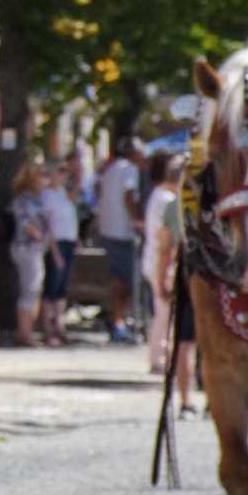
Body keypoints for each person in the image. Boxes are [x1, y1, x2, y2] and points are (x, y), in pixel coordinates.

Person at [157, 192, 202, 418]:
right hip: (205, 275)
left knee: (186, 342)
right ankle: (199, 400)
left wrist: (162, 278)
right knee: (190, 342)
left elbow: (165, 247)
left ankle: (188, 401)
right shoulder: (225, 194)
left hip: (191, 272)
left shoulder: (175, 204)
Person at [94, 137, 142, 342]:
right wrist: (137, 219)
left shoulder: (111, 169)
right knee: (129, 280)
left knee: (117, 278)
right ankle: (119, 322)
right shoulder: (129, 169)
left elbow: (97, 187)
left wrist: (106, 208)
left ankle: (117, 321)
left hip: (107, 229)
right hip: (122, 232)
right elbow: (129, 195)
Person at [142, 155, 184, 373]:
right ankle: (160, 358)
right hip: (161, 262)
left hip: (156, 260)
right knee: (165, 313)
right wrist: (163, 273)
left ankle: (160, 356)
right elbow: (165, 242)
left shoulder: (158, 195)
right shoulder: (167, 200)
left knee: (162, 313)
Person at [8, 161, 53, 348]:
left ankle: (28, 331)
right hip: (27, 248)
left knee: (34, 290)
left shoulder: (37, 197)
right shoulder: (23, 199)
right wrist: (38, 234)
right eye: (41, 175)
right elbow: (26, 221)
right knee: (30, 290)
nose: (45, 179)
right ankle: (24, 333)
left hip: (36, 249)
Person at [39, 161, 81, 346]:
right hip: (57, 244)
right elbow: (48, 225)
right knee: (51, 287)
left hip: (69, 242)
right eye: (61, 172)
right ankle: (47, 329)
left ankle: (60, 327)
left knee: (61, 289)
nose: (64, 175)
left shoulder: (62, 193)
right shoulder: (46, 195)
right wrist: (54, 251)